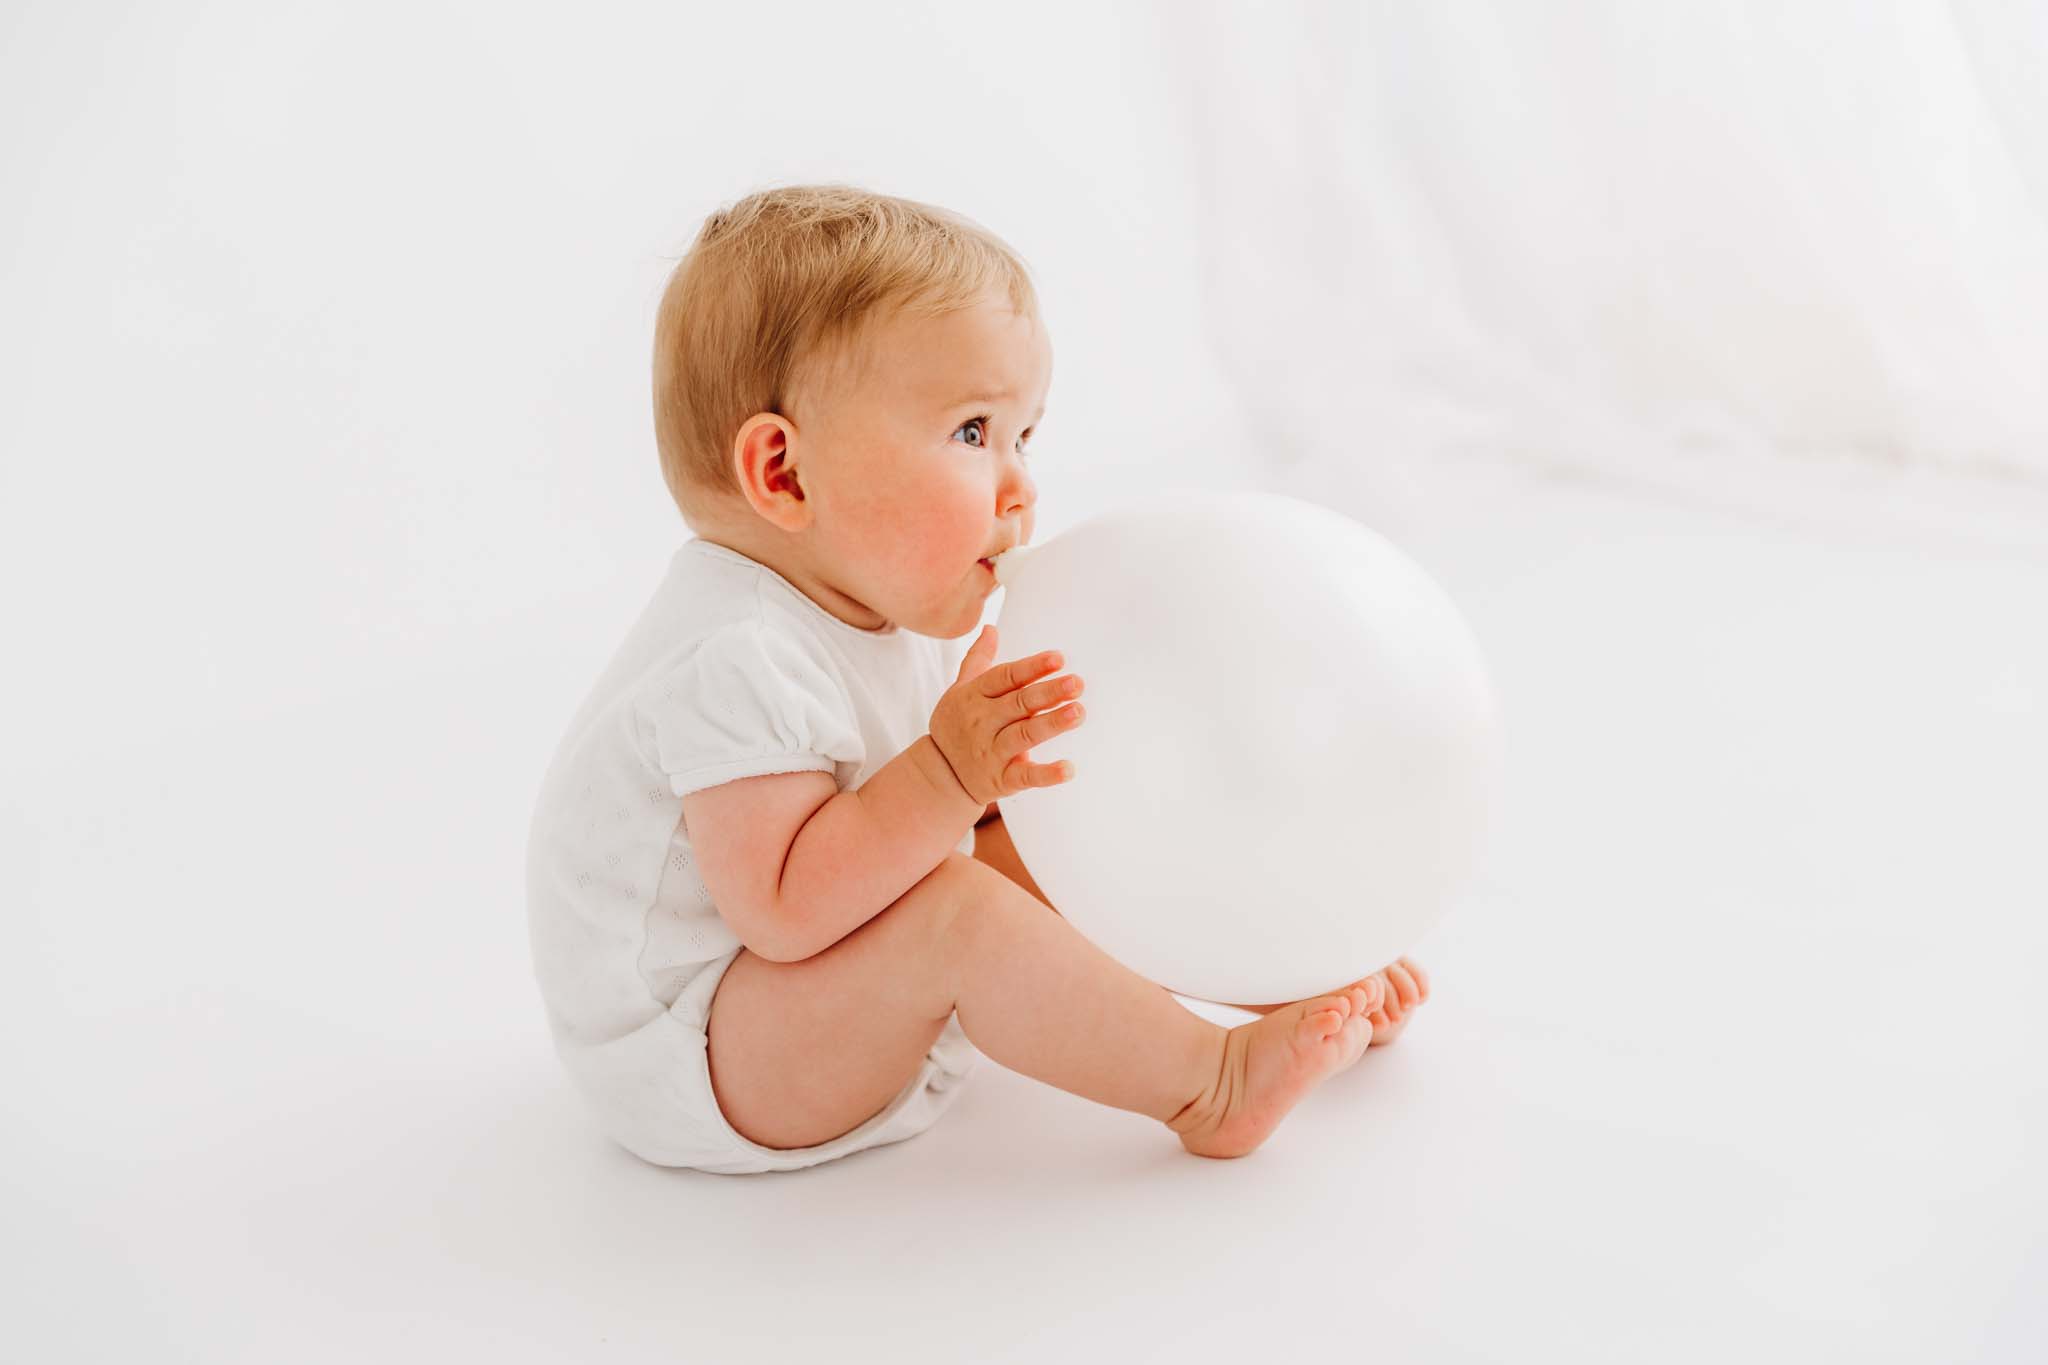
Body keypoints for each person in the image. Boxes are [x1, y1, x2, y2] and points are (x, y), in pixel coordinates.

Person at [525, 184, 1430, 1174]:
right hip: (693, 1057)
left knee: (1025, 846)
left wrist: (1002, 805)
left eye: (1023, 437)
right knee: (959, 908)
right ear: (782, 474)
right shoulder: (732, 657)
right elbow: (782, 909)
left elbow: (988, 844)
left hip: (805, 1009)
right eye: (971, 433)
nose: (1019, 486)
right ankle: (1205, 1083)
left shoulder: (891, 604)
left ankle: (1246, 985)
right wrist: (951, 774)